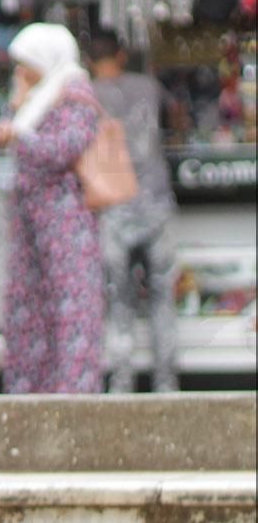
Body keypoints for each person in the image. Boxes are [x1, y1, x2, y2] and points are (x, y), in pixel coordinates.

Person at [0, 23, 105, 394]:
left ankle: (72, 394)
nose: (20, 73)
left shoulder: (74, 94)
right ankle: (31, 392)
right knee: (29, 309)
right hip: (33, 221)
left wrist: (20, 135)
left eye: (26, 65)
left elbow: (62, 149)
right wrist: (17, 110)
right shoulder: (36, 97)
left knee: (71, 309)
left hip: (65, 224)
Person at [87, 29, 179, 393]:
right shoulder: (148, 87)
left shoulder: (88, 95)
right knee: (162, 296)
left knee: (119, 299)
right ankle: (166, 382)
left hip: (114, 208)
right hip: (156, 201)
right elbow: (177, 118)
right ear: (122, 55)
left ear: (90, 61)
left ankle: (121, 383)